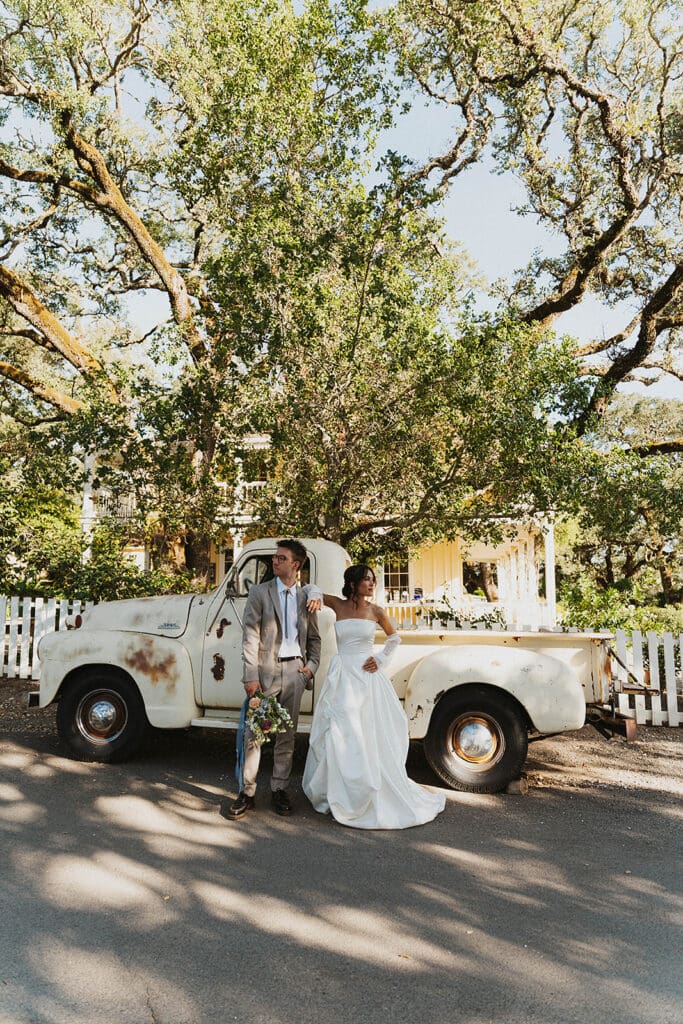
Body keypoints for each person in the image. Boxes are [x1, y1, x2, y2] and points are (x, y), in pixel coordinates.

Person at [302, 565, 445, 829]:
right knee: (340, 731)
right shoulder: (337, 605)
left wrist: (379, 659)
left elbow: (394, 638)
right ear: (353, 583)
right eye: (366, 579)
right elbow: (311, 589)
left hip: (367, 677)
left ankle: (370, 787)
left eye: (372, 580)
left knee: (370, 730)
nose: (371, 584)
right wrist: (313, 595)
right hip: (343, 675)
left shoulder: (376, 610)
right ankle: (340, 791)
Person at [226, 539, 321, 820]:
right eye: (274, 558)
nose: (274, 562)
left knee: (286, 736)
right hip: (265, 673)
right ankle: (247, 792)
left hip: (296, 673)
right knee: (254, 734)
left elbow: (315, 639)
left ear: (295, 564)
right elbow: (250, 636)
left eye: (281, 558)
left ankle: (279, 789)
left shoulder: (307, 597)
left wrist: (310, 669)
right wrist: (250, 676)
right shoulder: (260, 592)